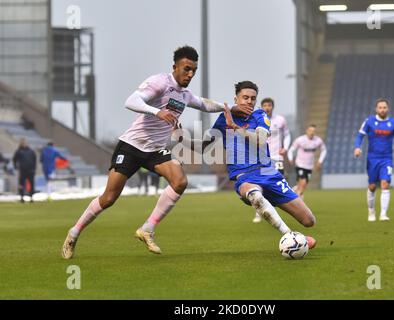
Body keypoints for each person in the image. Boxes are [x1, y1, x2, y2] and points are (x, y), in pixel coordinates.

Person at [61, 45, 252, 259]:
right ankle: (74, 233)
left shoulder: (185, 95)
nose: (190, 74)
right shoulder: (160, 82)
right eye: (186, 69)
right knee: (109, 198)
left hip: (156, 150)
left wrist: (230, 108)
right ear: (175, 67)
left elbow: (204, 104)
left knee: (180, 182)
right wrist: (157, 111)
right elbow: (131, 101)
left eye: (194, 71)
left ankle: (147, 229)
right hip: (132, 146)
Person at [194, 81, 316, 249]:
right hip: (244, 177)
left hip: (268, 173)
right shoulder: (224, 119)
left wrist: (235, 128)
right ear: (235, 98)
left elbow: (260, 140)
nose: (249, 101)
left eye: (253, 98)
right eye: (245, 98)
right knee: (254, 195)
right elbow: (203, 145)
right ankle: (289, 236)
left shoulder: (260, 115)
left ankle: (288, 228)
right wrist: (180, 139)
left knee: (308, 220)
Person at [354, 98, 394, 222]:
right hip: (372, 158)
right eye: (380, 107)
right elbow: (360, 136)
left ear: (388, 109)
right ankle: (371, 211)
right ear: (376, 109)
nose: (382, 109)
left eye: (384, 107)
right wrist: (357, 147)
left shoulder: (393, 123)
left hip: (387, 158)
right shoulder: (369, 121)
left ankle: (383, 214)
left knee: (385, 184)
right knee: (372, 186)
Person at [252, 97, 291, 223]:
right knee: (261, 186)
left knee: (278, 184)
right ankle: (259, 212)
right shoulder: (257, 120)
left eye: (269, 105)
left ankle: (275, 210)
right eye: (265, 105)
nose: (267, 107)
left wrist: (285, 147)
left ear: (272, 107)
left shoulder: (280, 120)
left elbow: (287, 134)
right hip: (262, 158)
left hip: (277, 157)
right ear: (262, 107)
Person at [287, 124, 327, 199]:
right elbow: (291, 150)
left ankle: (295, 190)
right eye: (310, 131)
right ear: (307, 131)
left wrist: (320, 161)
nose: (312, 132)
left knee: (303, 185)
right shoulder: (300, 140)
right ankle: (298, 199)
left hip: (309, 166)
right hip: (300, 164)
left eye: (313, 131)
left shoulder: (317, 140)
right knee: (303, 182)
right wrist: (290, 158)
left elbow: (324, 150)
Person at [13, 138, 37, 203]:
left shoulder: (31, 151)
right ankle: (22, 197)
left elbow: (34, 160)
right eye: (22, 142)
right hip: (22, 171)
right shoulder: (18, 151)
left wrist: (34, 169)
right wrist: (15, 166)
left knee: (31, 184)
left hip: (30, 170)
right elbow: (14, 159)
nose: (23, 143)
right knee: (21, 184)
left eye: (24, 142)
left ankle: (31, 197)